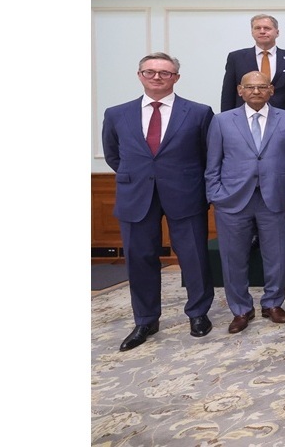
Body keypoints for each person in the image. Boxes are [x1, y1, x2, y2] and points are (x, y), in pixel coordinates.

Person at [102, 52, 216, 351]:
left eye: (164, 73)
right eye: (150, 72)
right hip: (136, 196)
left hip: (185, 194)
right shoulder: (117, 114)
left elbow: (208, 156)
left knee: (194, 258)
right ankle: (145, 319)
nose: (157, 77)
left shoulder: (198, 112)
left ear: (176, 78)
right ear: (139, 75)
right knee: (140, 260)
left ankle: (198, 313)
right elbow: (115, 155)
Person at [206, 71, 285, 334]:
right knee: (233, 258)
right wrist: (215, 194)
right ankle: (240, 309)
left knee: (277, 256)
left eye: (262, 87)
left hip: (275, 197)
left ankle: (273, 303)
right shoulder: (222, 121)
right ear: (240, 90)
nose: (256, 91)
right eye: (250, 87)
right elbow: (212, 164)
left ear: (271, 90)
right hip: (232, 199)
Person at [220, 14, 285, 111]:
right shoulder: (236, 58)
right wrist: (226, 118)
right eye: (257, 28)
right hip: (244, 116)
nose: (262, 31)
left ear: (277, 32)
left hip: (283, 116)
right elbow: (228, 92)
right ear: (252, 32)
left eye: (267, 28)